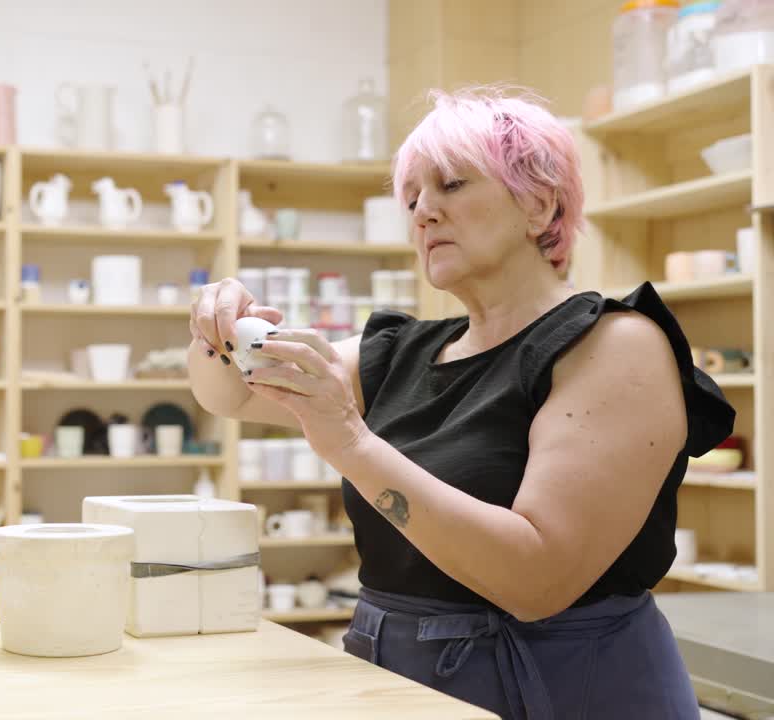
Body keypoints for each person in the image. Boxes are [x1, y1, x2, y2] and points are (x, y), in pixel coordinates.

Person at [187, 86, 734, 719]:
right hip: (403, 681)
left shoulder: (614, 345)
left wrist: (352, 443)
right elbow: (227, 392)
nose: (423, 212)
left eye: (451, 185)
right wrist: (217, 332)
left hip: (564, 690)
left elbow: (537, 580)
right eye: (413, 196)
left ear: (539, 204)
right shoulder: (402, 352)